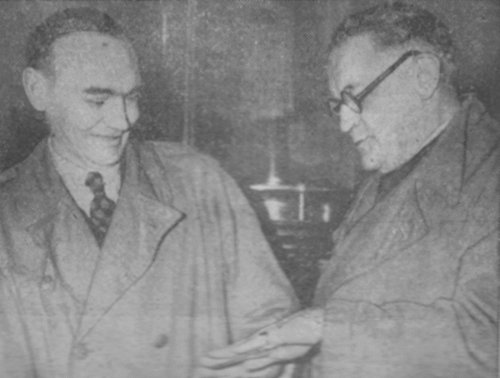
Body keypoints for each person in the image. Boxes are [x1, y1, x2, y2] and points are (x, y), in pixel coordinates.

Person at [200, 2, 500, 377]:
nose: (344, 123)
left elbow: (487, 340)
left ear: (423, 74)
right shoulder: (389, 176)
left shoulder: (489, 178)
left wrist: (326, 329)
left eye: (355, 97)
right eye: (337, 104)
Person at [0, 7, 298, 378]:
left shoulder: (199, 181)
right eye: (97, 100)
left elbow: (273, 330)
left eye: (132, 96)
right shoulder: (6, 215)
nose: (124, 119)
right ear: (38, 90)